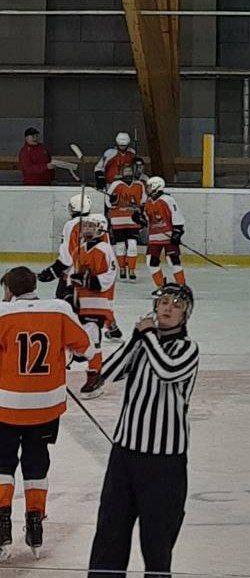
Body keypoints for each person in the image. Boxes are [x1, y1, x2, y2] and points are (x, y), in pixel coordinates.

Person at [87, 283, 199, 578]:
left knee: (157, 543)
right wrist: (135, 339)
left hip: (165, 462)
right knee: (109, 535)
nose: (167, 308)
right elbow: (107, 374)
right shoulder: (143, 345)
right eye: (163, 302)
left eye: (176, 305)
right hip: (124, 455)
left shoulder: (187, 349)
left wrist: (147, 335)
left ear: (185, 315)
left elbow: (168, 371)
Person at [0, 266, 92, 560]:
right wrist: (67, 354)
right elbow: (86, 348)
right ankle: (35, 520)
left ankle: (2, 522)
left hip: (7, 405)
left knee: (2, 463)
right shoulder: (60, 309)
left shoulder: (2, 313)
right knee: (36, 459)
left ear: (9, 290)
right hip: (46, 405)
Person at [39, 214, 117, 394]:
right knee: (75, 341)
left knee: (91, 341)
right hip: (79, 303)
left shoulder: (105, 249)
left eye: (91, 226)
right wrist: (68, 291)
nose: (86, 229)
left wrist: (89, 281)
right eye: (85, 226)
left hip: (96, 305)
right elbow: (71, 275)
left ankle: (94, 376)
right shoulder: (78, 250)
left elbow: (109, 276)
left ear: (101, 229)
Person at [137, 177, 185, 289]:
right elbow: (146, 220)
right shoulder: (148, 202)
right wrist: (139, 219)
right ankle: (161, 287)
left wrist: (177, 232)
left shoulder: (167, 199)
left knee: (173, 261)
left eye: (149, 186)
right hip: (154, 237)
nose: (147, 189)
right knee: (151, 262)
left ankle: (182, 286)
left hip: (169, 236)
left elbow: (176, 215)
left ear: (156, 186)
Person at [106, 165, 147, 280]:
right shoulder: (116, 184)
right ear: (122, 173)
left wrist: (142, 215)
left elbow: (143, 201)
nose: (128, 173)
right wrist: (112, 201)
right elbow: (108, 201)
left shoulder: (139, 184)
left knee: (133, 245)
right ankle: (122, 268)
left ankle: (132, 269)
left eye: (130, 170)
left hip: (133, 219)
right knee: (120, 245)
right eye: (126, 171)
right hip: (117, 219)